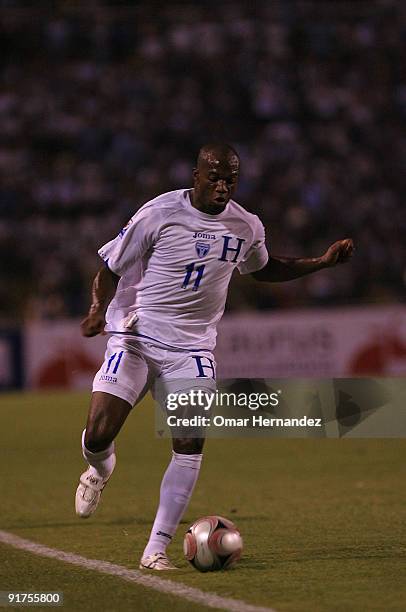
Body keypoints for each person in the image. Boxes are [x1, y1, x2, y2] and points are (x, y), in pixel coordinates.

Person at [76, 143, 354, 570]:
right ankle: (101, 468)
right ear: (196, 176)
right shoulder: (159, 213)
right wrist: (97, 309)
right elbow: (109, 270)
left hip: (192, 349)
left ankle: (155, 549)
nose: (223, 186)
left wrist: (320, 262)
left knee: (189, 441)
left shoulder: (246, 225)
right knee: (97, 434)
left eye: (230, 179)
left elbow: (262, 268)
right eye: (215, 177)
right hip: (135, 337)